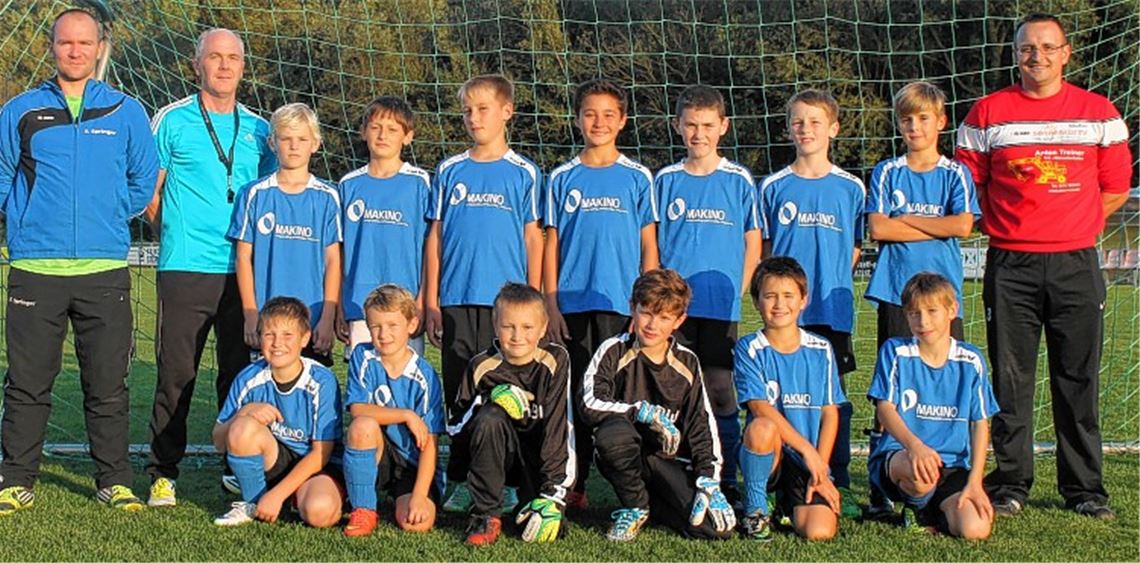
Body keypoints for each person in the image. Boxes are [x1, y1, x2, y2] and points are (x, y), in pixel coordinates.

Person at [955, 13, 1133, 520]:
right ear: (1016, 54)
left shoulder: (1099, 112)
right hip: (1011, 262)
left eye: (1047, 47)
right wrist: (1013, 225)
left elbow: (1116, 187)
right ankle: (1011, 482)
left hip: (1076, 261)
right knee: (1010, 379)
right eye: (1028, 48)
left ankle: (1085, 490)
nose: (1037, 57)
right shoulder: (988, 114)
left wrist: (1070, 223)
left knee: (1077, 379)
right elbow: (969, 187)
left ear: (1066, 52)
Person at [0, 8, 159, 515]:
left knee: (108, 383)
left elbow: (143, 177)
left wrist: (109, 212)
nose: (75, 51)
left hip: (104, 270)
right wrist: (26, 221)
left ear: (98, 48)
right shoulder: (20, 111)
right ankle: (15, 479)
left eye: (84, 43)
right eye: (66, 43)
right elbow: (3, 177)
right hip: (35, 269)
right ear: (52, 47)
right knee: (27, 383)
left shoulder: (125, 111)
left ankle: (113, 481)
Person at [144, 28, 276, 506]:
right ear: (195, 64)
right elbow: (148, 193)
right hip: (185, 268)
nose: (224, 66)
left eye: (233, 58)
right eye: (214, 57)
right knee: (177, 372)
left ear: (243, 67)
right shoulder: (172, 120)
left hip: (243, 272)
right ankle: (164, 471)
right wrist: (178, 234)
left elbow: (272, 196)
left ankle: (234, 465)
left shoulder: (262, 130)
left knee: (237, 373)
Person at [423, 74, 542, 513]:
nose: (474, 118)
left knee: (505, 392)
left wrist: (536, 299)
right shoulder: (449, 170)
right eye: (468, 110)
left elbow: (533, 239)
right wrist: (430, 300)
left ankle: (509, 481)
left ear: (506, 112)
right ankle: (460, 479)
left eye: (484, 109)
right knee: (460, 392)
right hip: (455, 298)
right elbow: (434, 237)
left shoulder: (525, 172)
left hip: (506, 308)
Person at [863, 81, 979, 517]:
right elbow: (879, 229)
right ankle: (882, 489)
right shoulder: (888, 171)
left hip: (943, 299)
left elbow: (964, 226)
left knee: (948, 385)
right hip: (896, 293)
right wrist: (935, 222)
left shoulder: (955, 173)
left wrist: (906, 220)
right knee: (889, 391)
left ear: (941, 122)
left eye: (923, 118)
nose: (914, 126)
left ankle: (951, 475)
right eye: (907, 119)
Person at [543, 78, 659, 509]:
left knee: (619, 394)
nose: (599, 122)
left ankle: (637, 484)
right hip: (571, 305)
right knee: (573, 395)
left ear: (623, 121)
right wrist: (550, 303)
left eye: (609, 114)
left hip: (620, 305)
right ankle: (573, 483)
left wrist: (644, 304)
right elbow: (552, 244)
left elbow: (649, 244)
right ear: (577, 118)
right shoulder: (561, 177)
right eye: (590, 113)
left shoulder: (637, 177)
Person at [758, 89, 864, 518]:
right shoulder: (772, 186)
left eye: (815, 122)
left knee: (831, 399)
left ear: (833, 129)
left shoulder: (851, 187)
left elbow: (855, 249)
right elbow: (766, 251)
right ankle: (775, 480)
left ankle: (835, 477)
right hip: (784, 315)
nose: (806, 129)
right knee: (779, 395)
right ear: (788, 129)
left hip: (830, 311)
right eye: (798, 122)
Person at [654, 85, 762, 501]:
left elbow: (753, 237)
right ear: (677, 126)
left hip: (720, 304)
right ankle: (680, 475)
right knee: (673, 389)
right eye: (691, 125)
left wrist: (744, 284)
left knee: (719, 387)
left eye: (707, 126)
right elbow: (655, 240)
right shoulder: (665, 180)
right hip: (674, 310)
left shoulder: (738, 181)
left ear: (723, 127)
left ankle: (728, 478)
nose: (699, 133)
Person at [579, 268, 735, 542]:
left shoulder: (687, 362)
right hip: (626, 449)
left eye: (664, 317)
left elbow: (702, 424)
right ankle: (635, 505)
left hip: (668, 461)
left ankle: (657, 507)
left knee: (712, 528)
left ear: (679, 320)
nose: (652, 325)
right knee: (613, 436)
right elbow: (588, 403)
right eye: (647, 312)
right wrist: (637, 411)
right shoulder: (613, 350)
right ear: (632, 308)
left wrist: (709, 478)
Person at [867, 272, 997, 539]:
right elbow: (885, 408)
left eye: (931, 311)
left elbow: (981, 422)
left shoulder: (971, 359)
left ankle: (939, 509)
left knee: (975, 530)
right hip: (903, 456)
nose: (922, 321)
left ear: (952, 310)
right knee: (921, 471)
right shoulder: (896, 352)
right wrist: (915, 446)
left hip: (952, 465)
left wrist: (975, 482)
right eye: (914, 313)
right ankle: (915, 509)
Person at [445, 283, 574, 546]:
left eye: (527, 327)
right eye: (508, 326)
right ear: (495, 326)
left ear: (542, 327)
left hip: (535, 461)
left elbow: (560, 427)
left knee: (539, 530)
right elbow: (455, 428)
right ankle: (486, 514)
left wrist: (553, 496)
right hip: (493, 459)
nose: (517, 336)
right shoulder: (482, 366)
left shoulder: (555, 360)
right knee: (490, 417)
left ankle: (530, 496)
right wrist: (486, 400)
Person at [734, 257, 844, 541]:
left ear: (803, 300)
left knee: (819, 531)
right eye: (770, 296)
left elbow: (830, 413)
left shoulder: (821, 349)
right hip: (772, 454)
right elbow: (758, 406)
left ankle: (786, 505)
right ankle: (756, 509)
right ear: (757, 301)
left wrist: (819, 465)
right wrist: (807, 450)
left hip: (808, 461)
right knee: (761, 426)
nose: (779, 304)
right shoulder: (750, 347)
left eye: (788, 296)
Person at [211, 297, 344, 528]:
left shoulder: (321, 381)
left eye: (287, 335)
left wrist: (278, 494)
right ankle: (253, 503)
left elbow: (321, 453)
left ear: (305, 339)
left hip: (315, 465)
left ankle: (286, 498)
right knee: (243, 427)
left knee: (320, 513)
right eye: (269, 335)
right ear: (259, 338)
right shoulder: (249, 377)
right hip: (274, 460)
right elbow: (219, 441)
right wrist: (244, 412)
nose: (276, 343)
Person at [227, 102, 342, 367]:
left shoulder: (327, 197)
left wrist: (327, 317)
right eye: (286, 139)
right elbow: (243, 258)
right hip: (267, 322)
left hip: (311, 321)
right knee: (264, 395)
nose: (294, 146)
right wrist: (250, 313)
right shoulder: (254, 194)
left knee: (307, 392)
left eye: (302, 139)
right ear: (271, 143)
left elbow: (333, 261)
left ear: (315, 144)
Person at [342, 285, 445, 536]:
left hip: (411, 462)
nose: (383, 334)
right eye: (375, 326)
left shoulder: (425, 376)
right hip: (377, 450)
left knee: (416, 523)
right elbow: (357, 409)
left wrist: (420, 496)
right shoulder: (363, 357)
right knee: (362, 426)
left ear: (411, 325)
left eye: (392, 325)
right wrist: (406, 415)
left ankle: (404, 495)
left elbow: (429, 444)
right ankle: (363, 508)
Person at [336, 96, 429, 358]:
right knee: (364, 378)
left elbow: (429, 249)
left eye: (392, 129)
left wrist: (422, 300)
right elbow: (339, 252)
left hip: (405, 306)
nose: (382, 135)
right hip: (358, 304)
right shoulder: (348, 185)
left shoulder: (420, 184)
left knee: (403, 379)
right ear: (364, 132)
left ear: (407, 136)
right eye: (376, 127)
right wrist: (339, 304)